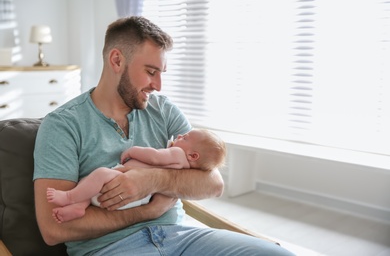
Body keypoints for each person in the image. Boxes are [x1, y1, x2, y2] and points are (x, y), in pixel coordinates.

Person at [33, 16, 294, 256]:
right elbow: (54, 230)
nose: (158, 86)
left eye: (161, 73)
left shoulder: (163, 109)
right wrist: (148, 211)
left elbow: (213, 183)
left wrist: (152, 180)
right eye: (150, 71)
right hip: (112, 248)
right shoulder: (63, 126)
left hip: (180, 238)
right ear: (116, 60)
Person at [46, 128, 226, 223]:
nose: (179, 135)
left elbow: (155, 157)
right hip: (138, 197)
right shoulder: (186, 165)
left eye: (185, 138)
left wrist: (134, 150)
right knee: (92, 182)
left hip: (127, 189)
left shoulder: (177, 154)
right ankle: (79, 207)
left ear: (193, 156)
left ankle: (70, 197)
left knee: (97, 175)